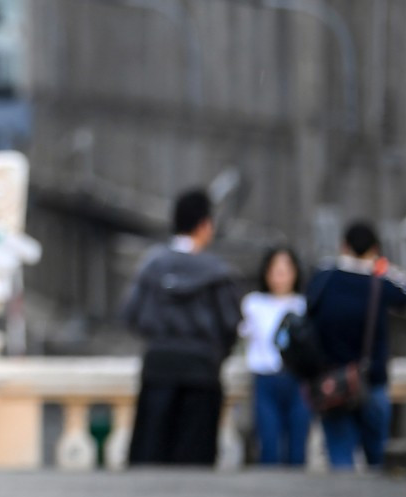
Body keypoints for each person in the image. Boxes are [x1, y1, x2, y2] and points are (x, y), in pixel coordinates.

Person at [119, 188, 241, 466]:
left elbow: (130, 314)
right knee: (195, 460)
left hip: (159, 367)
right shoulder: (218, 272)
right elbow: (230, 324)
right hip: (203, 370)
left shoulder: (153, 266)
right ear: (204, 225)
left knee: (151, 457)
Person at [305, 221, 406, 471]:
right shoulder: (380, 284)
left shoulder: (324, 278)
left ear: (343, 246)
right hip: (371, 380)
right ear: (375, 249)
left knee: (340, 459)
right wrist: (382, 267)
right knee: (378, 460)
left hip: (331, 382)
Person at [240, 246, 311, 466]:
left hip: (298, 381)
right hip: (266, 379)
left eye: (285, 269)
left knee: (298, 450)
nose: (280, 276)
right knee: (268, 447)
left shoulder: (304, 305)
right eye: (275, 270)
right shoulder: (253, 303)